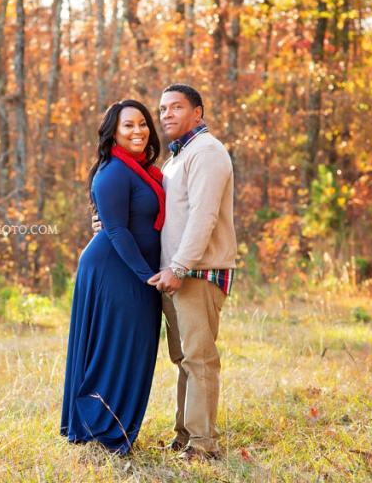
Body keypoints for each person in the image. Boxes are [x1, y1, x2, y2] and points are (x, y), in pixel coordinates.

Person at [93, 84, 237, 461]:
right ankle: (184, 436)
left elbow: (203, 218)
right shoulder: (177, 158)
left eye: (177, 107)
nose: (167, 114)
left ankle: (202, 445)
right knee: (184, 359)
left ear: (198, 113)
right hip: (174, 275)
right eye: (163, 108)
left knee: (199, 358)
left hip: (196, 273)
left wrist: (179, 266)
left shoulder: (206, 152)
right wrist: (105, 222)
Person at [61, 99, 165, 455]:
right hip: (116, 270)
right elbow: (117, 231)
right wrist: (148, 276)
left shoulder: (140, 169)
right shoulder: (114, 172)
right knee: (118, 348)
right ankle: (102, 429)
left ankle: (114, 426)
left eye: (142, 124)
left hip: (131, 269)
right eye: (128, 126)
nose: (138, 131)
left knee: (133, 348)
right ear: (113, 134)